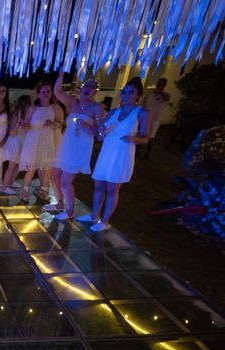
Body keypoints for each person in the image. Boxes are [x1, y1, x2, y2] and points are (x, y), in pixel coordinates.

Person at [76, 78, 149, 232]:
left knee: (112, 189)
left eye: (131, 92)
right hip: (106, 154)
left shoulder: (141, 113)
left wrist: (132, 139)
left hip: (122, 155)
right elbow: (101, 136)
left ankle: (106, 220)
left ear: (138, 96)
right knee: (98, 187)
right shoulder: (113, 112)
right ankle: (94, 215)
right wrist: (99, 127)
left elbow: (146, 137)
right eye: (124, 92)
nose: (126, 95)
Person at [44, 74, 104, 220]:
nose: (88, 89)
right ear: (81, 88)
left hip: (79, 149)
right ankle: (59, 203)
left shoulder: (97, 108)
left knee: (65, 182)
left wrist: (86, 126)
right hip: (66, 145)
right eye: (86, 86)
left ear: (95, 92)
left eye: (92, 88)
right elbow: (57, 92)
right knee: (54, 177)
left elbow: (100, 134)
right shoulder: (73, 103)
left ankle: (70, 211)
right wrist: (60, 74)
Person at [17, 82, 64, 203]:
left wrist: (53, 124)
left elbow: (60, 124)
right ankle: (25, 191)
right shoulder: (33, 109)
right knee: (31, 167)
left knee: (47, 167)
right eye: (43, 91)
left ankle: (43, 191)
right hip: (33, 141)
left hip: (47, 141)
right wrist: (23, 125)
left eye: (48, 91)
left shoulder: (55, 108)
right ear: (39, 94)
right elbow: (27, 125)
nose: (46, 93)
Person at [0, 95, 32, 194]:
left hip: (22, 142)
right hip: (15, 142)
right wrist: (18, 124)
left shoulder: (27, 115)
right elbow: (12, 132)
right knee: (12, 166)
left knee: (19, 165)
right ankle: (4, 187)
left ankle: (10, 182)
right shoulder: (17, 114)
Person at [142, 78, 170, 159]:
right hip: (146, 118)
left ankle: (147, 153)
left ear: (164, 86)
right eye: (158, 83)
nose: (158, 85)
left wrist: (159, 93)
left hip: (155, 120)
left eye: (161, 84)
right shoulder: (150, 94)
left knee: (151, 137)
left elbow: (166, 98)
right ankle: (137, 152)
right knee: (142, 133)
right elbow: (144, 103)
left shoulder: (165, 95)